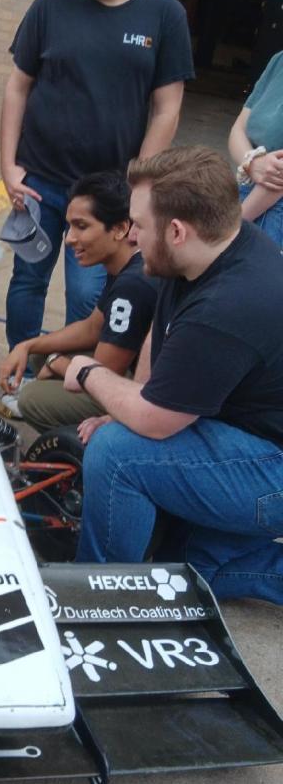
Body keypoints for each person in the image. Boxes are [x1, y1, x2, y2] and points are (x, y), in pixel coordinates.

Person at [64, 146, 283, 603]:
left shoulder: (228, 305)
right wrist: (134, 405)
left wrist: (89, 372)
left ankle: (101, 595)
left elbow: (155, 422)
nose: (133, 237)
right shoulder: (207, 248)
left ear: (178, 230)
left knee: (118, 454)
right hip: (246, 438)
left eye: (139, 226)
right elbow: (156, 341)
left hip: (271, 472)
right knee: (181, 569)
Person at [0, 0, 194, 351]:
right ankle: (19, 371)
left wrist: (138, 182)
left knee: (89, 293)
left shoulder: (164, 16)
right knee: (27, 281)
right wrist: (9, 166)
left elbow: (168, 108)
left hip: (107, 192)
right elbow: (17, 87)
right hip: (39, 181)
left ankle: (66, 373)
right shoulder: (51, 5)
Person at [0, 171, 157, 431]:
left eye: (81, 226)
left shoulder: (132, 285)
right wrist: (27, 346)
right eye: (69, 226)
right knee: (39, 354)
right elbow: (92, 327)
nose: (69, 238)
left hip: (139, 395)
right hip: (127, 375)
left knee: (32, 399)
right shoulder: (126, 265)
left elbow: (105, 371)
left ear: (119, 229)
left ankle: (80, 453)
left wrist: (55, 362)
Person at [227, 51, 283, 248]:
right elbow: (238, 129)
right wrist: (252, 161)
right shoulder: (279, 60)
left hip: (272, 212)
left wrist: (230, 230)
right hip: (244, 189)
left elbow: (278, 176)